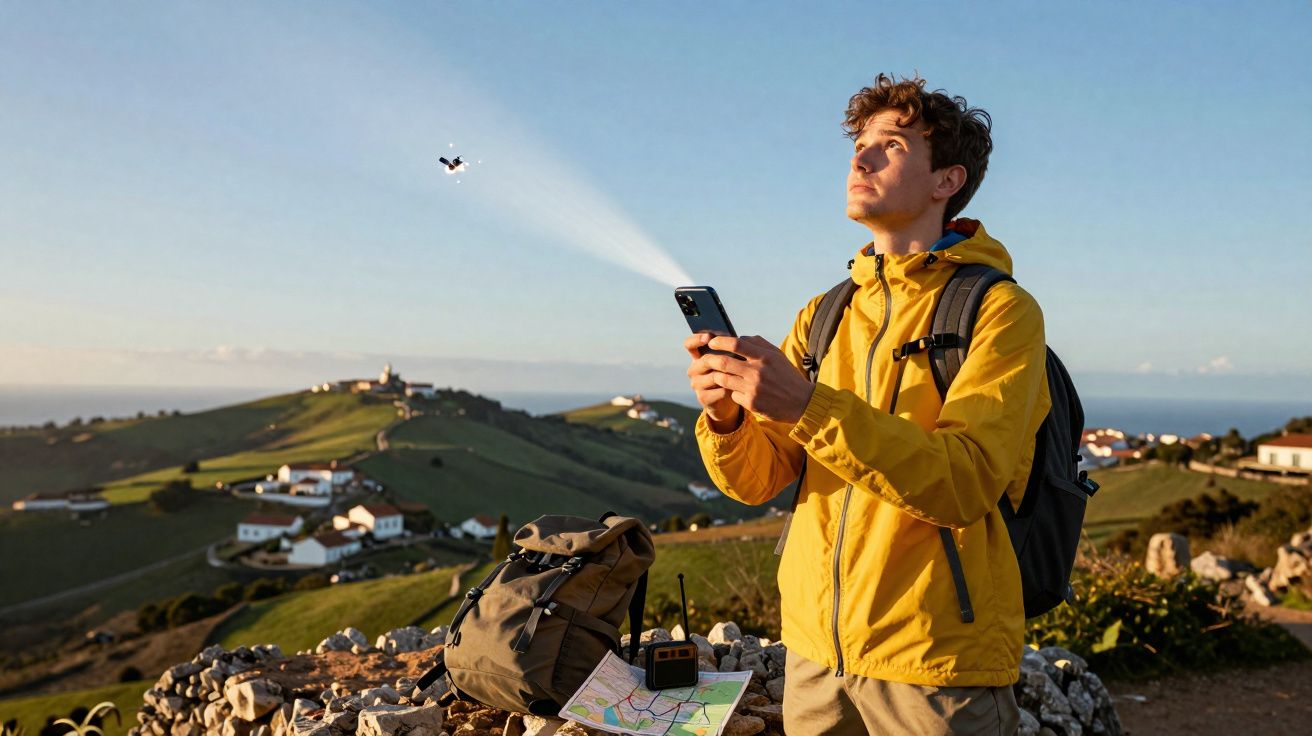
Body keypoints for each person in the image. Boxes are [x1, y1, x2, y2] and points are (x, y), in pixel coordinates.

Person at [685, 74, 1049, 734]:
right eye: (859, 145)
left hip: (935, 662)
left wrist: (808, 407)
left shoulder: (1000, 311)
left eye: (893, 145)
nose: (861, 158)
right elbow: (757, 482)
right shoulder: (825, 314)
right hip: (814, 658)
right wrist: (726, 417)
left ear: (947, 181)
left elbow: (966, 481)